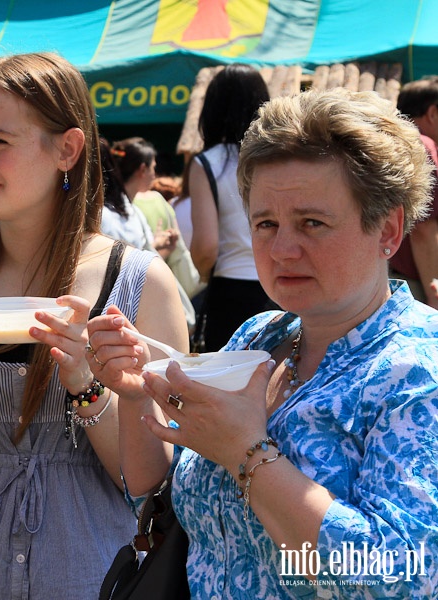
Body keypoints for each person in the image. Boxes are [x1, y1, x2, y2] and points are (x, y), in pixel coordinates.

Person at [88, 88, 438, 598]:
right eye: (265, 223)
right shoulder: (260, 336)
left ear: (387, 230)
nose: (282, 249)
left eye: (312, 223)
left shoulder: (417, 369)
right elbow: (156, 497)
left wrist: (247, 454)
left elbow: (399, 576)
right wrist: (137, 394)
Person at [0, 51, 187, 599]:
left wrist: (86, 384)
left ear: (67, 149)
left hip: (88, 573)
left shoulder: (139, 282)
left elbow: (150, 483)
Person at [189, 63, 274, 350]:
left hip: (230, 291)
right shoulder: (278, 158)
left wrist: (201, 274)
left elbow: (206, 247)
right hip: (284, 282)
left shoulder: (207, 163)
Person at [114, 136, 202, 300]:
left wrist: (157, 247)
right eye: (153, 168)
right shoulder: (123, 212)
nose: (154, 175)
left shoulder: (127, 209)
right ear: (142, 169)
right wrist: (156, 246)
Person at [390, 76, 438, 308]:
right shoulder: (422, 146)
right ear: (432, 113)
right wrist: (433, 291)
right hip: (418, 283)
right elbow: (423, 227)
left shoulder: (392, 142)